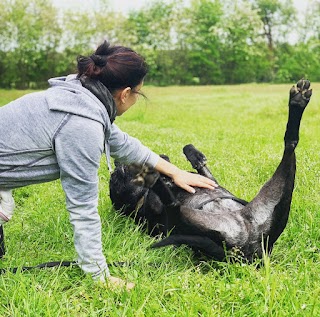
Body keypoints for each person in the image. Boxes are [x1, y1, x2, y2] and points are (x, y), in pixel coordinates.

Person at [0, 41, 216, 289]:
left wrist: (175, 172)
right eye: (137, 94)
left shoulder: (79, 97)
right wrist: (99, 276)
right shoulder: (80, 125)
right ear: (125, 94)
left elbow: (121, 143)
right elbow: (82, 208)